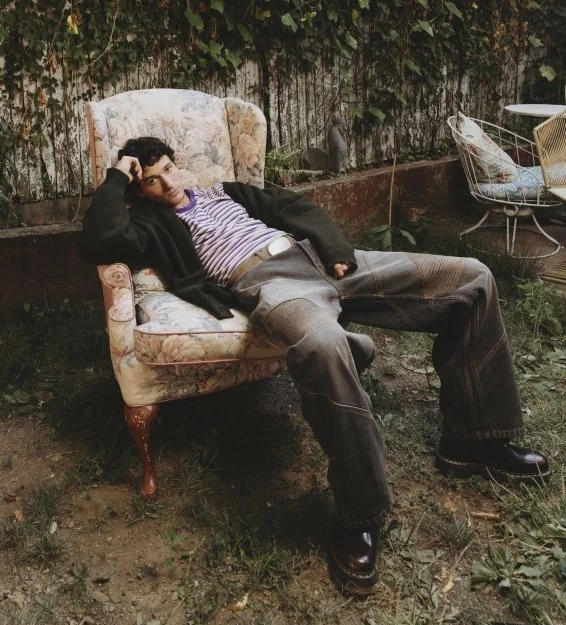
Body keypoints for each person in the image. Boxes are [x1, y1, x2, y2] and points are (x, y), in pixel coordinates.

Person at [80, 135, 549, 596]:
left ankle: (474, 441)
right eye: (153, 182)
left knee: (472, 278)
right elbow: (102, 241)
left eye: (168, 171)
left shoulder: (224, 191)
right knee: (323, 346)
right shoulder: (149, 221)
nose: (167, 185)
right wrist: (117, 178)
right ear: (141, 189)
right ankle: (358, 515)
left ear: (176, 161)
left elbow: (292, 208)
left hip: (318, 262)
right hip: (272, 284)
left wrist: (336, 250)